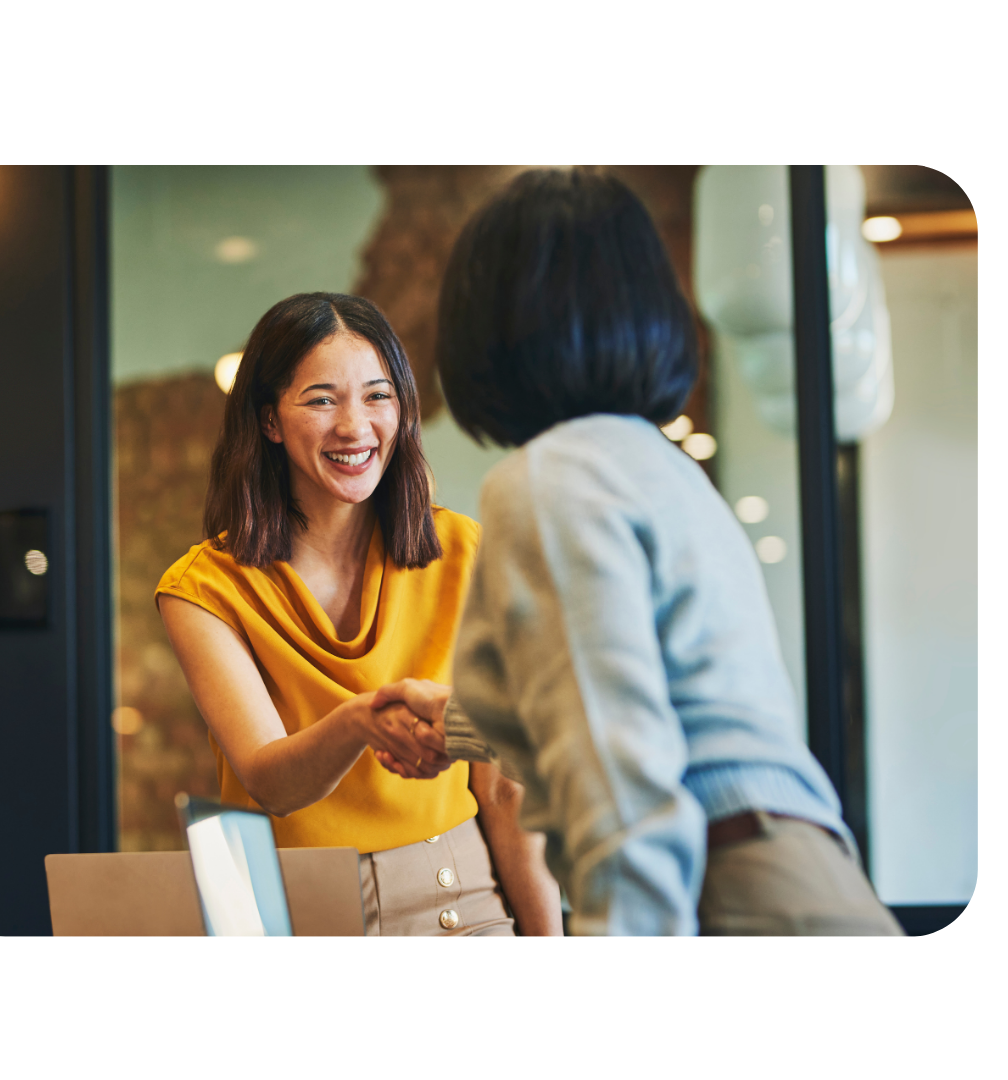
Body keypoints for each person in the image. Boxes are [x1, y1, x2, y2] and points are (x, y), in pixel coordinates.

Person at [372, 169, 904, 937]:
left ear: (489, 321)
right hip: (796, 870)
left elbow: (622, 791)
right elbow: (653, 697)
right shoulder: (660, 470)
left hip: (724, 888)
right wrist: (456, 727)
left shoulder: (549, 481)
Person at [156, 293, 562, 937]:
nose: (355, 426)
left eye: (378, 396)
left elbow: (506, 789)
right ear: (269, 421)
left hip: (460, 902)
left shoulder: (465, 552)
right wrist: (362, 721)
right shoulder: (201, 589)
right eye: (322, 399)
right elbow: (271, 782)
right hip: (285, 910)